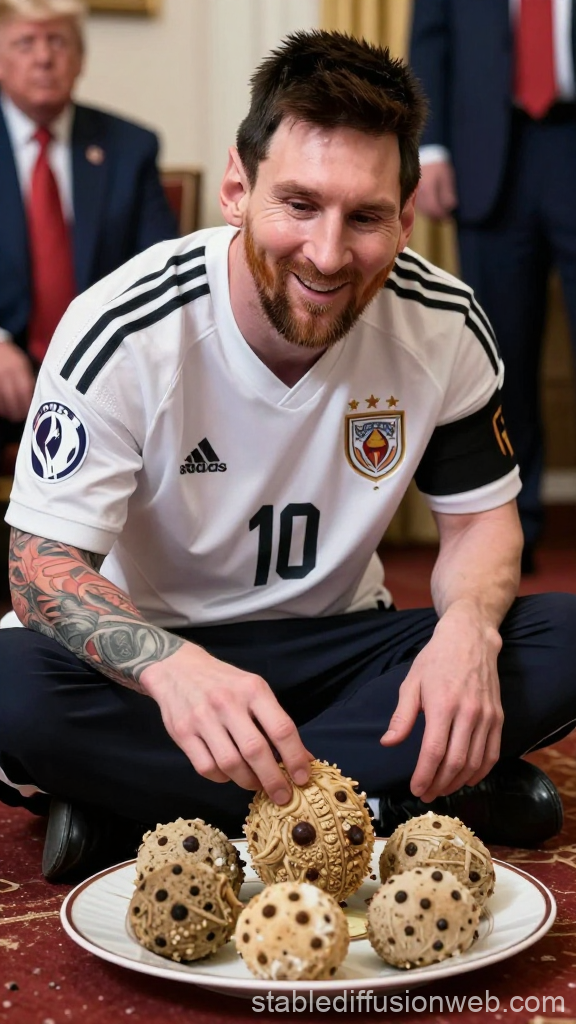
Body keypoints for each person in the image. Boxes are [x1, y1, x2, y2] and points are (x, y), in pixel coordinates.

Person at [0, 29, 575, 884]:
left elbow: (481, 523)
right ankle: (401, 793)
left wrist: (466, 628)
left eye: (366, 217)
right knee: (13, 685)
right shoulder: (124, 327)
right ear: (237, 188)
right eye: (299, 204)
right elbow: (40, 565)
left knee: (559, 635)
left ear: (406, 217)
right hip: (162, 657)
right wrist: (172, 669)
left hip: (342, 646)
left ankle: (139, 808)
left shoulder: (445, 323)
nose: (329, 254)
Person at [409, 0, 576, 574]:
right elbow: (431, 37)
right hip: (489, 156)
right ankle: (510, 534)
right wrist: (430, 146)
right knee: (500, 357)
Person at [0, 0, 177, 461]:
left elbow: (160, 272)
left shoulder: (130, 148)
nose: (44, 57)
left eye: (57, 41)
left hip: (104, 370)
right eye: (25, 43)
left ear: (80, 59)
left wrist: (108, 355)